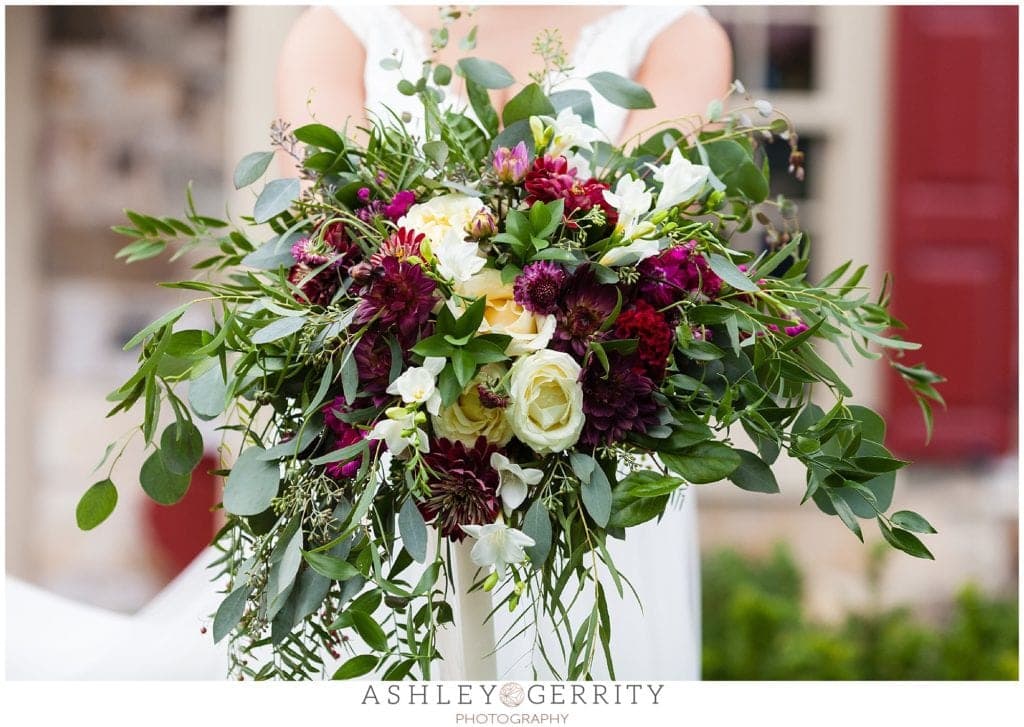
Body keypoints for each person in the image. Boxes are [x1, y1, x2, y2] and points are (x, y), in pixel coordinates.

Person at [276, 5, 732, 680]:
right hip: (389, 465)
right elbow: (331, 250)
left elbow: (643, 252)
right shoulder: (341, 27)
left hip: (591, 478)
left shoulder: (674, 33)